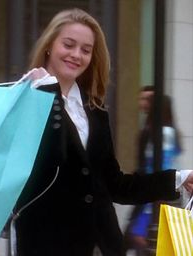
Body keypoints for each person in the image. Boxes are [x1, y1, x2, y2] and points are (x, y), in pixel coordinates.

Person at [12, 8, 193, 256]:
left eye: (86, 50)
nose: (76, 55)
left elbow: (115, 184)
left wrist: (177, 179)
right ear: (49, 46)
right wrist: (48, 91)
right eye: (68, 45)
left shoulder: (94, 109)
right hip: (46, 245)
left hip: (103, 246)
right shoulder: (27, 99)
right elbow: (49, 159)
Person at [124, 94, 182, 255]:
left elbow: (160, 166)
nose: (143, 104)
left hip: (152, 194)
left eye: (148, 102)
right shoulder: (167, 131)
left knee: (137, 239)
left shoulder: (162, 133)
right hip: (154, 192)